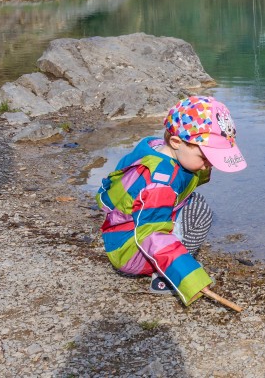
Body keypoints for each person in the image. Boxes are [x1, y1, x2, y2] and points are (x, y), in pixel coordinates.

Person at [96, 95, 247, 305]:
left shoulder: (157, 149)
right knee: (199, 211)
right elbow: (152, 234)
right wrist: (189, 277)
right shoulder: (161, 184)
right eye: (205, 158)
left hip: (121, 233)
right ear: (176, 142)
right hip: (131, 251)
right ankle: (165, 277)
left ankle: (170, 265)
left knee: (192, 201)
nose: (208, 165)